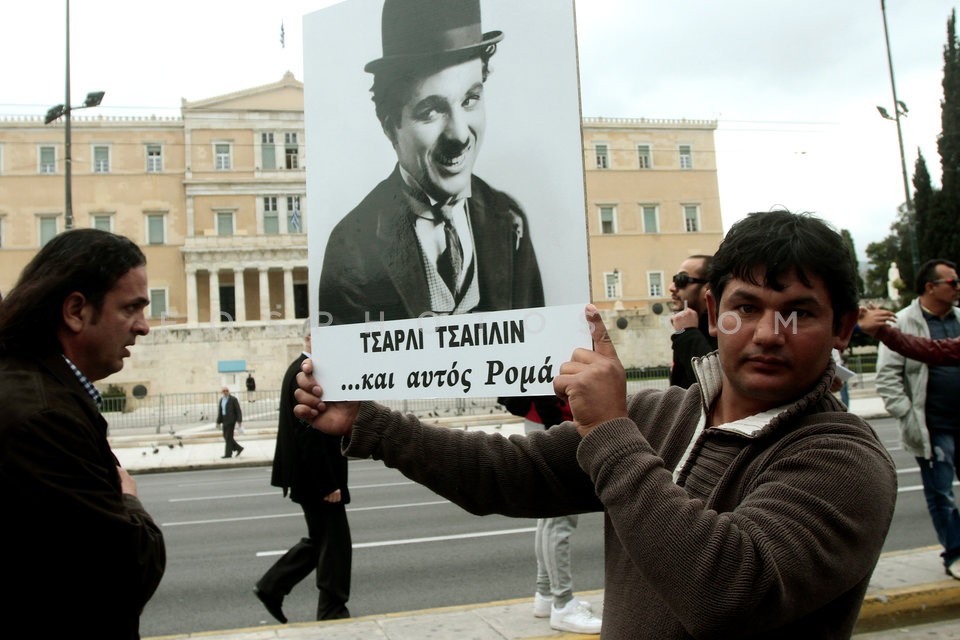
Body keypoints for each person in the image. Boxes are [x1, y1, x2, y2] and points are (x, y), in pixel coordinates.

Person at [293, 209, 897, 639]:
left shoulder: (842, 458)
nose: (769, 334)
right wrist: (370, 423)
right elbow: (509, 474)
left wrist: (609, 430)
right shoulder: (664, 412)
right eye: (747, 308)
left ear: (843, 329)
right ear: (713, 314)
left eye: (799, 313)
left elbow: (726, 592)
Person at [316, 0, 544, 325]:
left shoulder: (509, 220)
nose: (459, 135)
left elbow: (539, 351)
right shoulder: (352, 243)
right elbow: (345, 370)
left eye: (470, 100)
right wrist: (304, 374)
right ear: (390, 125)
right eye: (431, 111)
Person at [0, 228, 166, 639]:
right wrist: (128, 501)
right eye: (131, 308)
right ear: (76, 310)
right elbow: (124, 571)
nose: (143, 327)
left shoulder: (31, 387)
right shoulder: (43, 418)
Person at [254, 324, 352, 623]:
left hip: (307, 476)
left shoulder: (298, 368)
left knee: (321, 540)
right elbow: (309, 433)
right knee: (335, 545)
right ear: (310, 338)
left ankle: (272, 586)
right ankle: (332, 608)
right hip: (316, 478)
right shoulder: (307, 373)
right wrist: (328, 483)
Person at [876, 259, 960, 578]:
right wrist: (907, 415)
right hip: (932, 427)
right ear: (931, 287)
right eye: (952, 283)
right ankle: (955, 553)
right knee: (941, 494)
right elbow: (887, 376)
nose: (958, 288)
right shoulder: (904, 322)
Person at [520, 396, 601, 634]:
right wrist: (555, 425)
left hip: (546, 420)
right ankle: (562, 603)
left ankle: (546, 595)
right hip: (554, 422)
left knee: (550, 514)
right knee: (560, 519)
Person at [668, 254, 717, 388]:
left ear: (707, 289)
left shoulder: (725, 330)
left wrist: (688, 334)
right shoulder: (689, 326)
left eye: (681, 280)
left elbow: (714, 386)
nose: (672, 287)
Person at [861, 305, 960, 365]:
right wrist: (883, 332)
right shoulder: (903, 318)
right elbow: (934, 350)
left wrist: (883, 332)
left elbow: (933, 350)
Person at [216, 386, 244, 458]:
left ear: (229, 391)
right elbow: (220, 411)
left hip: (231, 420)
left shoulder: (233, 399)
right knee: (226, 436)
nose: (225, 392)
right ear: (222, 392)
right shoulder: (221, 400)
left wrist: (239, 420)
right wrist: (218, 422)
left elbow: (238, 410)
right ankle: (238, 448)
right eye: (224, 391)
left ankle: (228, 454)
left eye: (226, 390)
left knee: (228, 437)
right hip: (224, 420)